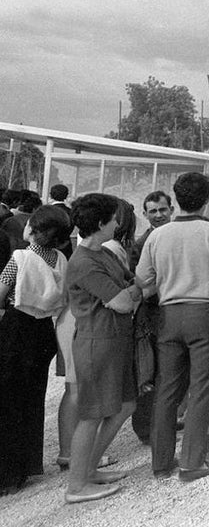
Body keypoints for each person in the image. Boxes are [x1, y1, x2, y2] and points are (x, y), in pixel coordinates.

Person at [135, 172, 209, 482]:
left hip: (169, 314)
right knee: (202, 388)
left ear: (177, 199)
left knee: (167, 390)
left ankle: (161, 463)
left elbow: (143, 278)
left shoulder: (158, 235)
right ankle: (192, 462)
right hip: (207, 314)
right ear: (206, 200)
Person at [63, 193, 138, 504]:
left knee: (126, 404)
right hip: (97, 343)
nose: (118, 223)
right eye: (113, 218)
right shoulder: (84, 262)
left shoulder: (104, 254)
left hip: (115, 339)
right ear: (100, 223)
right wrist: (133, 292)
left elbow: (131, 286)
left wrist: (131, 292)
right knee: (92, 415)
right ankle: (76, 486)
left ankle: (90, 469)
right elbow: (123, 300)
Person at [0, 205, 70, 494]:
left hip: (15, 329)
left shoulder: (21, 258)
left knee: (7, 401)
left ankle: (5, 474)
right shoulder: (60, 259)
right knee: (31, 399)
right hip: (43, 332)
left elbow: (1, 292)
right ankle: (25, 467)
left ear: (33, 230)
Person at [130, 190, 172, 444]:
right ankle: (146, 429)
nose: (158, 215)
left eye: (162, 209)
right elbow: (139, 286)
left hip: (177, 313)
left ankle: (165, 422)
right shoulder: (140, 245)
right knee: (150, 373)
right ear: (145, 214)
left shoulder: (179, 236)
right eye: (153, 211)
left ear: (172, 210)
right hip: (152, 317)